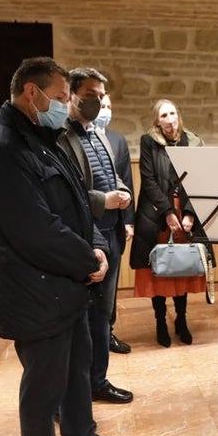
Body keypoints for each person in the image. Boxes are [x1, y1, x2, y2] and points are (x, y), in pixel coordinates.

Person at [0, 57, 129, 436]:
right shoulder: (5, 151)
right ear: (31, 94)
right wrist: (89, 258)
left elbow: (76, 199)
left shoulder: (41, 140)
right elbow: (36, 230)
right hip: (36, 292)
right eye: (61, 97)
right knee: (42, 389)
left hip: (67, 285)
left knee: (79, 366)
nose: (66, 105)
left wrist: (92, 249)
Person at [58, 68, 133, 404]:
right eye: (90, 94)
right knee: (81, 322)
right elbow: (66, 194)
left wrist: (120, 191)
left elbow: (110, 175)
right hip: (85, 237)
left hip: (111, 234)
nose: (97, 101)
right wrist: (106, 200)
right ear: (72, 95)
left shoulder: (99, 133)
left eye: (101, 95)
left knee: (103, 316)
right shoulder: (61, 137)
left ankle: (98, 381)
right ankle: (74, 392)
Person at [129, 99, 209, 347]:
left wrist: (189, 213)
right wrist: (167, 212)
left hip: (184, 214)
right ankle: (161, 321)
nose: (170, 118)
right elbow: (149, 180)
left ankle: (182, 320)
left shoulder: (192, 142)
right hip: (156, 215)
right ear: (157, 120)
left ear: (179, 115)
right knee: (160, 270)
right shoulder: (148, 142)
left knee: (181, 268)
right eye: (164, 114)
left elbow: (199, 180)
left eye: (173, 113)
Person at [93, 93, 135, 355]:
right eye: (101, 105)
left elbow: (127, 178)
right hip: (93, 225)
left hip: (116, 226)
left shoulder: (118, 140)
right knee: (96, 288)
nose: (106, 110)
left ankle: (108, 332)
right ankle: (96, 338)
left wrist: (128, 220)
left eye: (109, 106)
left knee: (111, 288)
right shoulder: (75, 138)